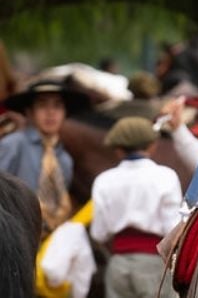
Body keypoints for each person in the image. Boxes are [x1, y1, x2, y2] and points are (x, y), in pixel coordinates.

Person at [90, 117, 181, 298]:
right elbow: (173, 229)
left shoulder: (104, 180)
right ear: (152, 145)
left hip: (117, 265)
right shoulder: (166, 176)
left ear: (118, 149)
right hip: (154, 265)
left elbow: (98, 233)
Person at [0, 79, 90, 232]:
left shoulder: (64, 159)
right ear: (29, 112)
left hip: (51, 239)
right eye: (42, 105)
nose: (51, 113)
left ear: (65, 112)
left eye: (57, 105)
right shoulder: (14, 145)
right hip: (15, 235)